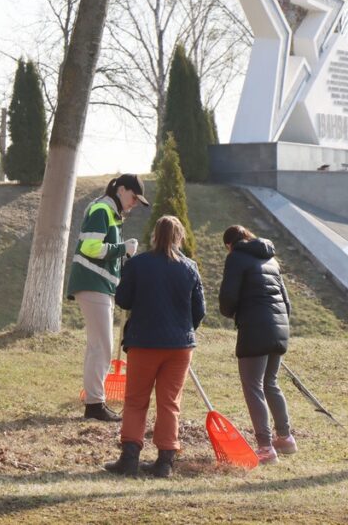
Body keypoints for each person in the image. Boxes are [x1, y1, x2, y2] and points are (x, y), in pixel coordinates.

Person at [105, 215, 205, 478]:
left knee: (136, 401)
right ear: (179, 237)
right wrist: (184, 329)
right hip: (180, 346)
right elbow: (199, 311)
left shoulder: (138, 264)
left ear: (154, 235)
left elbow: (123, 300)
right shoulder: (190, 267)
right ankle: (165, 461)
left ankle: (129, 458)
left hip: (144, 341)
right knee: (170, 402)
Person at [66, 173, 149, 422]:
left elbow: (101, 251)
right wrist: (124, 248)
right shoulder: (103, 209)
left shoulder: (109, 212)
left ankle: (94, 402)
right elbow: (90, 248)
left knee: (98, 346)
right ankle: (94, 404)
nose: (134, 204)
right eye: (133, 197)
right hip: (92, 283)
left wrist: (123, 257)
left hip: (98, 284)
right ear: (121, 189)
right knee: (102, 346)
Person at [218, 224, 296, 464]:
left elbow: (228, 297)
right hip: (279, 327)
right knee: (270, 382)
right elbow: (287, 302)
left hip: (254, 327)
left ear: (229, 245)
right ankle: (285, 437)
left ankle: (265, 447)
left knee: (253, 386)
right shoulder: (271, 259)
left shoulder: (236, 257)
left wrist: (231, 313)